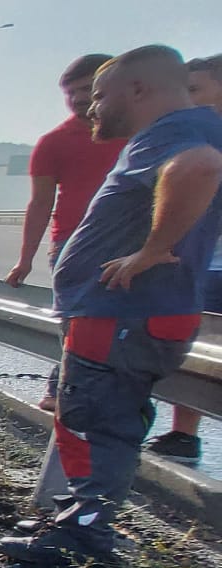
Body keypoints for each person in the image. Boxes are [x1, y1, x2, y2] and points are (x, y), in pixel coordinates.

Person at [0, 45, 222, 568]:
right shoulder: (193, 128)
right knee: (100, 414)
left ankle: (84, 537)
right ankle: (80, 517)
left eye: (101, 96)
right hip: (139, 312)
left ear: (139, 90)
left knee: (94, 418)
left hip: (122, 314)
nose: (92, 108)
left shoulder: (176, 134)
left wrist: (152, 250)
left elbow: (198, 169)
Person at [7, 54, 127, 412]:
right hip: (73, 245)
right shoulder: (54, 143)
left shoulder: (144, 134)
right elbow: (41, 204)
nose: (77, 99)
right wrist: (25, 260)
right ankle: (66, 388)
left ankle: (99, 393)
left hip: (134, 245)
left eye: (86, 89)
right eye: (69, 92)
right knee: (76, 320)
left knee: (122, 326)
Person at [143, 54, 222, 462]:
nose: (185, 101)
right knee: (194, 353)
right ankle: (183, 434)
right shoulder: (189, 138)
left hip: (211, 267)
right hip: (199, 264)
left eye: (194, 90)